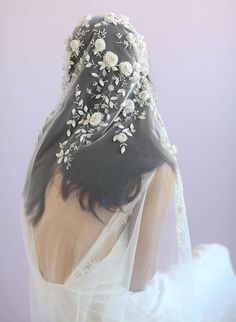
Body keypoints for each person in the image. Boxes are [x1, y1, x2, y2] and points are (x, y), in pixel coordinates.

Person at [20, 12, 236, 322]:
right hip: (115, 314)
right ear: (137, 74)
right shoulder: (154, 169)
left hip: (59, 310)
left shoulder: (47, 155)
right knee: (217, 264)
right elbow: (140, 281)